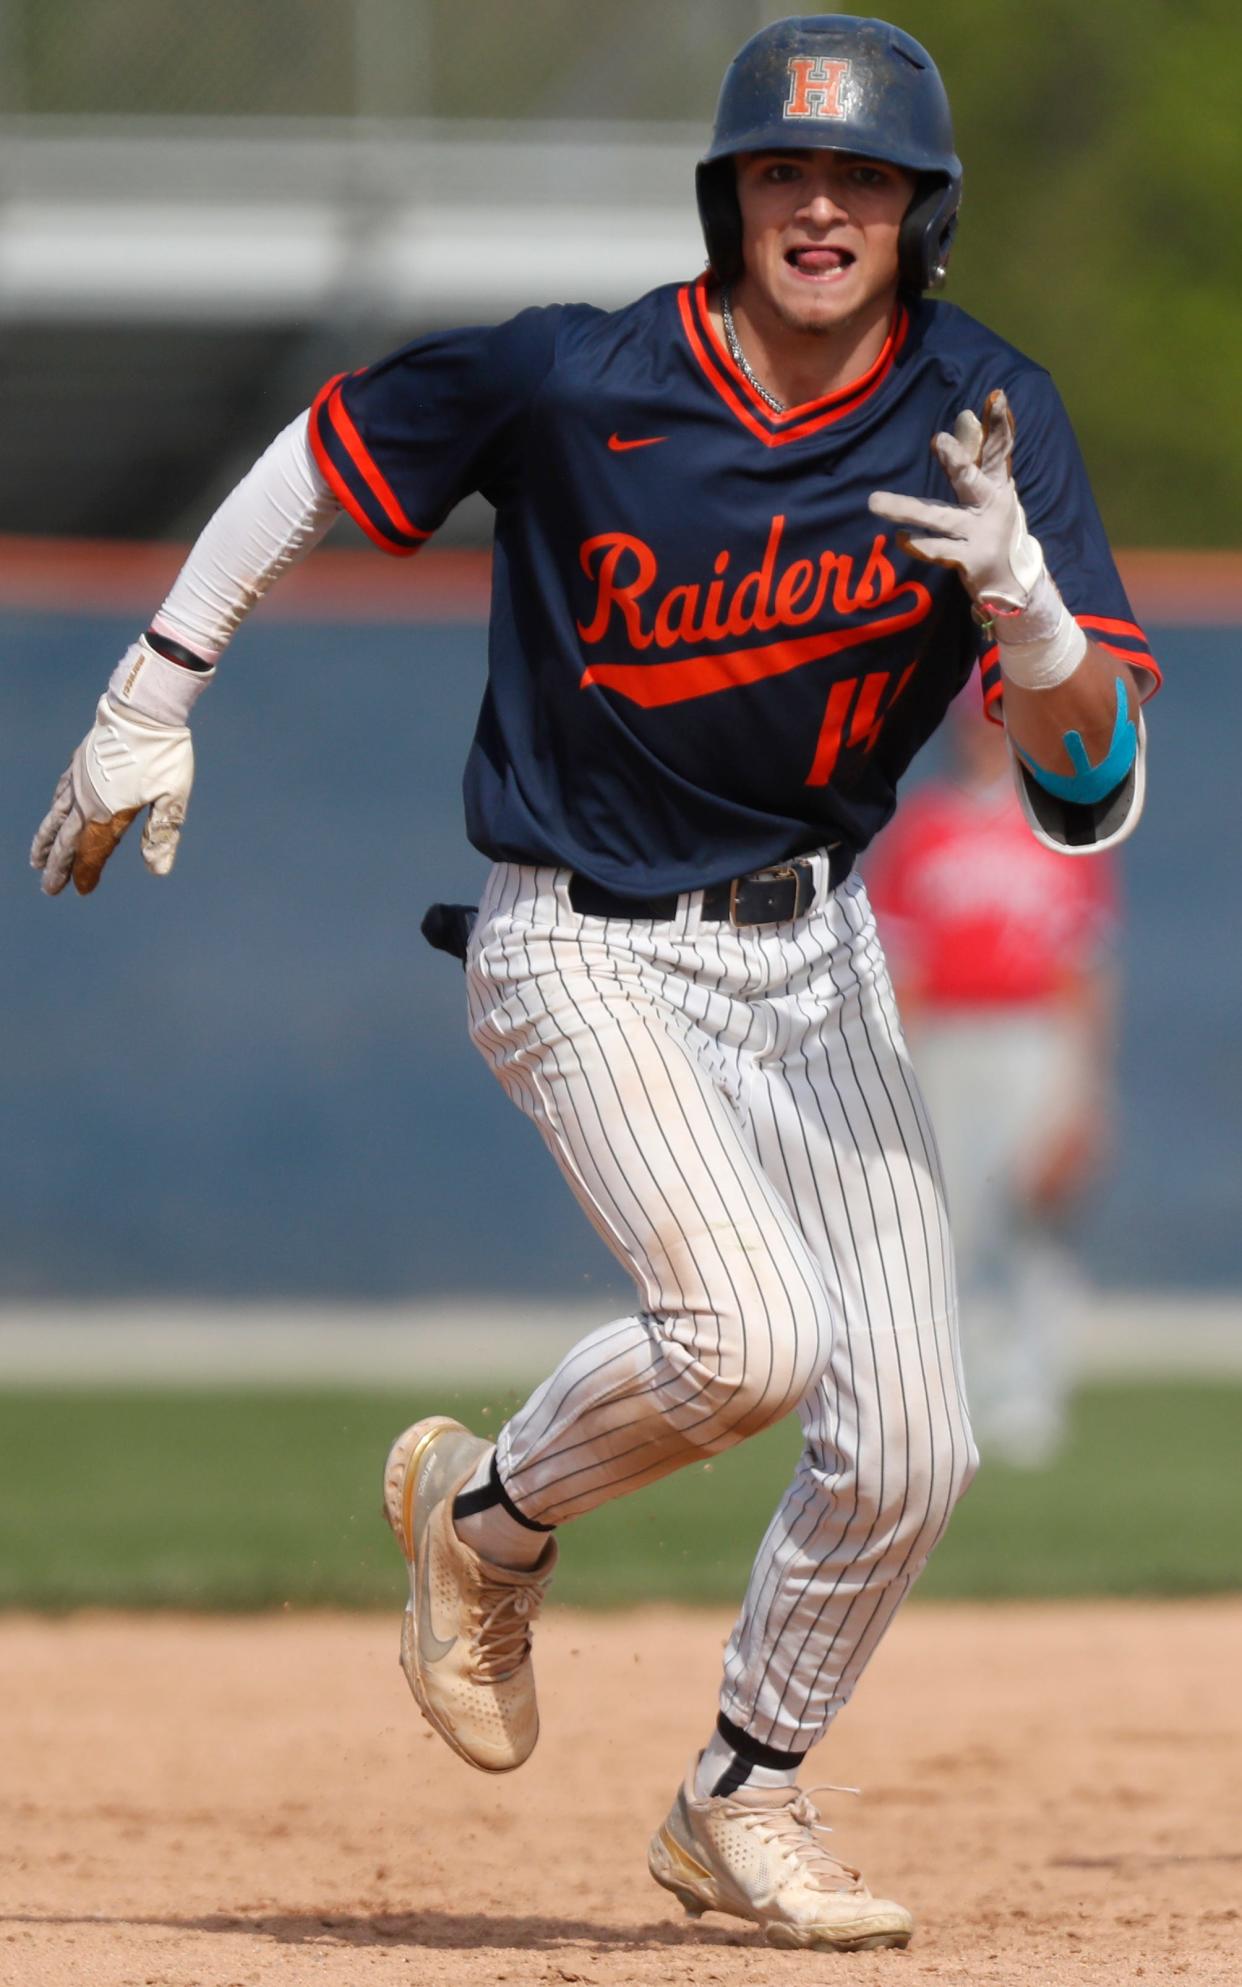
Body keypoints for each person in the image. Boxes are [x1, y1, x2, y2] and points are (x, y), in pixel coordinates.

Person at [32, 14, 1159, 1955]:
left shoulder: (985, 419)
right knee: (745, 1340)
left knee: (916, 1442)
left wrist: (1039, 622)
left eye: (864, 178)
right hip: (579, 932)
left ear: (921, 214)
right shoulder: (580, 373)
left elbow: (1090, 791)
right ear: (729, 196)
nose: (823, 206)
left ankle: (744, 1795)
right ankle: (485, 1522)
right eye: (786, 174)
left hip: (816, 957)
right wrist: (157, 681)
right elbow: (321, 455)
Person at [867, 704, 1122, 1467]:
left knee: (1037, 1213)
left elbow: (1087, 968)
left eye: (998, 723)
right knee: (950, 1224)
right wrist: (897, 1071)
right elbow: (900, 964)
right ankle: (960, 1395)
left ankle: (1029, 1395)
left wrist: (1086, 1089)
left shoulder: (1063, 827)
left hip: (1034, 1035)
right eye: (976, 723)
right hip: (945, 1036)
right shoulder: (924, 827)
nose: (984, 736)